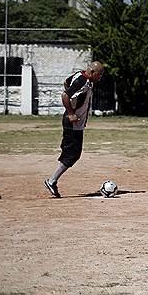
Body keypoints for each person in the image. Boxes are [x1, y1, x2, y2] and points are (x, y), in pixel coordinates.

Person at [43, 61, 105, 198]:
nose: (100, 78)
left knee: (72, 152)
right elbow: (65, 95)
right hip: (73, 123)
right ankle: (51, 181)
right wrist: (71, 112)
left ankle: (52, 180)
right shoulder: (82, 81)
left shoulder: (80, 76)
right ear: (92, 72)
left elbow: (66, 82)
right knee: (73, 154)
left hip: (76, 123)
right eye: (99, 75)